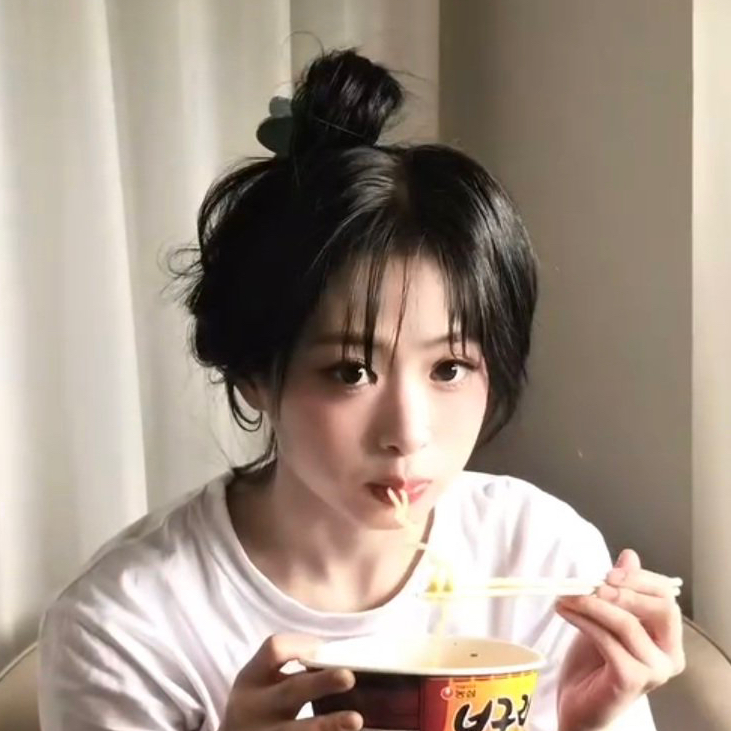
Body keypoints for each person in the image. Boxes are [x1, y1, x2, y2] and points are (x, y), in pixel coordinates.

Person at [38, 49, 684, 731]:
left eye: (449, 368)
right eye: (350, 371)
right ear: (254, 373)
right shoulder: (126, 624)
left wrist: (588, 722)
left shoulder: (541, 552)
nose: (408, 433)